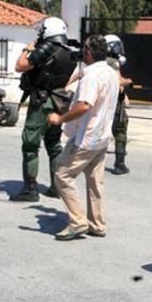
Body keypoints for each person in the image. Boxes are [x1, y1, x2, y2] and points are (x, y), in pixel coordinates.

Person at [45, 35, 119, 241]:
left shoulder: (92, 76)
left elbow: (85, 105)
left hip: (86, 137)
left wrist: (60, 118)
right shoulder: (111, 73)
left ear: (88, 53)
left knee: (62, 176)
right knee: (95, 182)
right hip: (102, 136)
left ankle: (78, 222)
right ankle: (97, 224)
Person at [10, 17, 77, 202]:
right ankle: (57, 187)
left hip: (42, 102)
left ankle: (30, 189)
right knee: (54, 144)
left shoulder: (46, 49)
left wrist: (27, 49)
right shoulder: (68, 52)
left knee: (30, 144)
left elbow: (20, 66)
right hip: (59, 102)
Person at [104, 34, 133, 175]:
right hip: (112, 101)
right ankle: (119, 164)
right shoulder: (112, 62)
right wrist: (129, 82)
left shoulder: (99, 61)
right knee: (120, 130)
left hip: (100, 101)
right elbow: (118, 82)